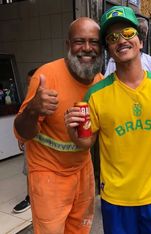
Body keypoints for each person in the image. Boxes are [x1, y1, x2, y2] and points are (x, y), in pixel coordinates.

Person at [65, 6, 151, 234]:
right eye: (112, 37)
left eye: (128, 33)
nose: (121, 41)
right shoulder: (95, 95)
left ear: (140, 41)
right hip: (117, 200)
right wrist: (73, 131)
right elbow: (86, 144)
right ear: (108, 49)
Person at [13, 17, 103, 233]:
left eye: (94, 42)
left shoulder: (100, 81)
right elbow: (19, 132)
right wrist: (34, 109)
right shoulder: (45, 76)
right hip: (48, 173)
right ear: (68, 45)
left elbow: (93, 137)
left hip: (82, 170)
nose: (87, 48)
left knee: (80, 229)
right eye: (79, 41)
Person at [13, 68, 37, 214]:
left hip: (46, 145)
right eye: (28, 84)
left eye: (32, 83)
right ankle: (29, 198)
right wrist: (21, 137)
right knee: (29, 170)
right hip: (31, 142)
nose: (30, 87)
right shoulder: (29, 99)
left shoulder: (47, 98)